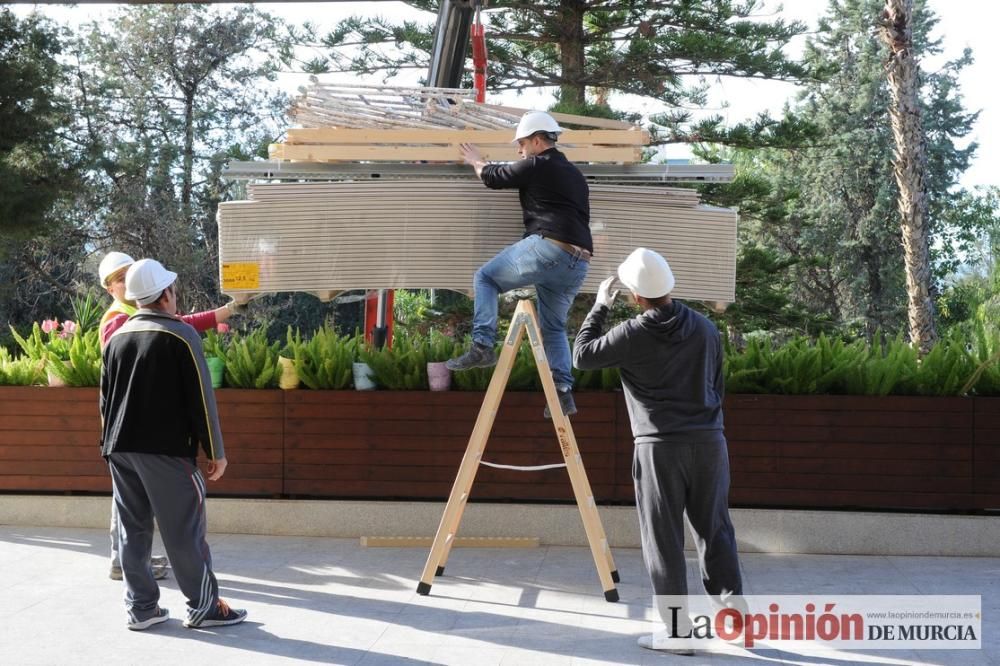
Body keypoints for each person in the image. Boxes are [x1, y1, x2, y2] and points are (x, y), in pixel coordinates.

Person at [572, 248, 743, 654]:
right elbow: (716, 386)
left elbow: (582, 354)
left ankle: (677, 633)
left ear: (634, 296)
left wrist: (599, 305)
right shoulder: (705, 328)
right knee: (716, 531)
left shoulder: (633, 334)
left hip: (658, 449)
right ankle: (738, 625)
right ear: (669, 286)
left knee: (663, 540)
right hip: (709, 444)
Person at [101, 258, 247, 631]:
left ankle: (142, 609)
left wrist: (109, 447)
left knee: (133, 530)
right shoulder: (181, 336)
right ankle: (203, 607)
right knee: (184, 530)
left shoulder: (117, 336)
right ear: (165, 294)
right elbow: (201, 398)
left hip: (119, 448)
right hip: (164, 450)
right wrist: (215, 452)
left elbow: (106, 399)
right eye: (173, 289)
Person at [447, 111, 592, 418]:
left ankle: (482, 345)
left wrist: (476, 160)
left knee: (485, 278)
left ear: (538, 141)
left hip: (549, 248)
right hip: (577, 262)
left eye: (523, 144)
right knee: (553, 327)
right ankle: (563, 392)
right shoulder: (575, 174)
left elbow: (493, 177)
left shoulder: (539, 164)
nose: (519, 151)